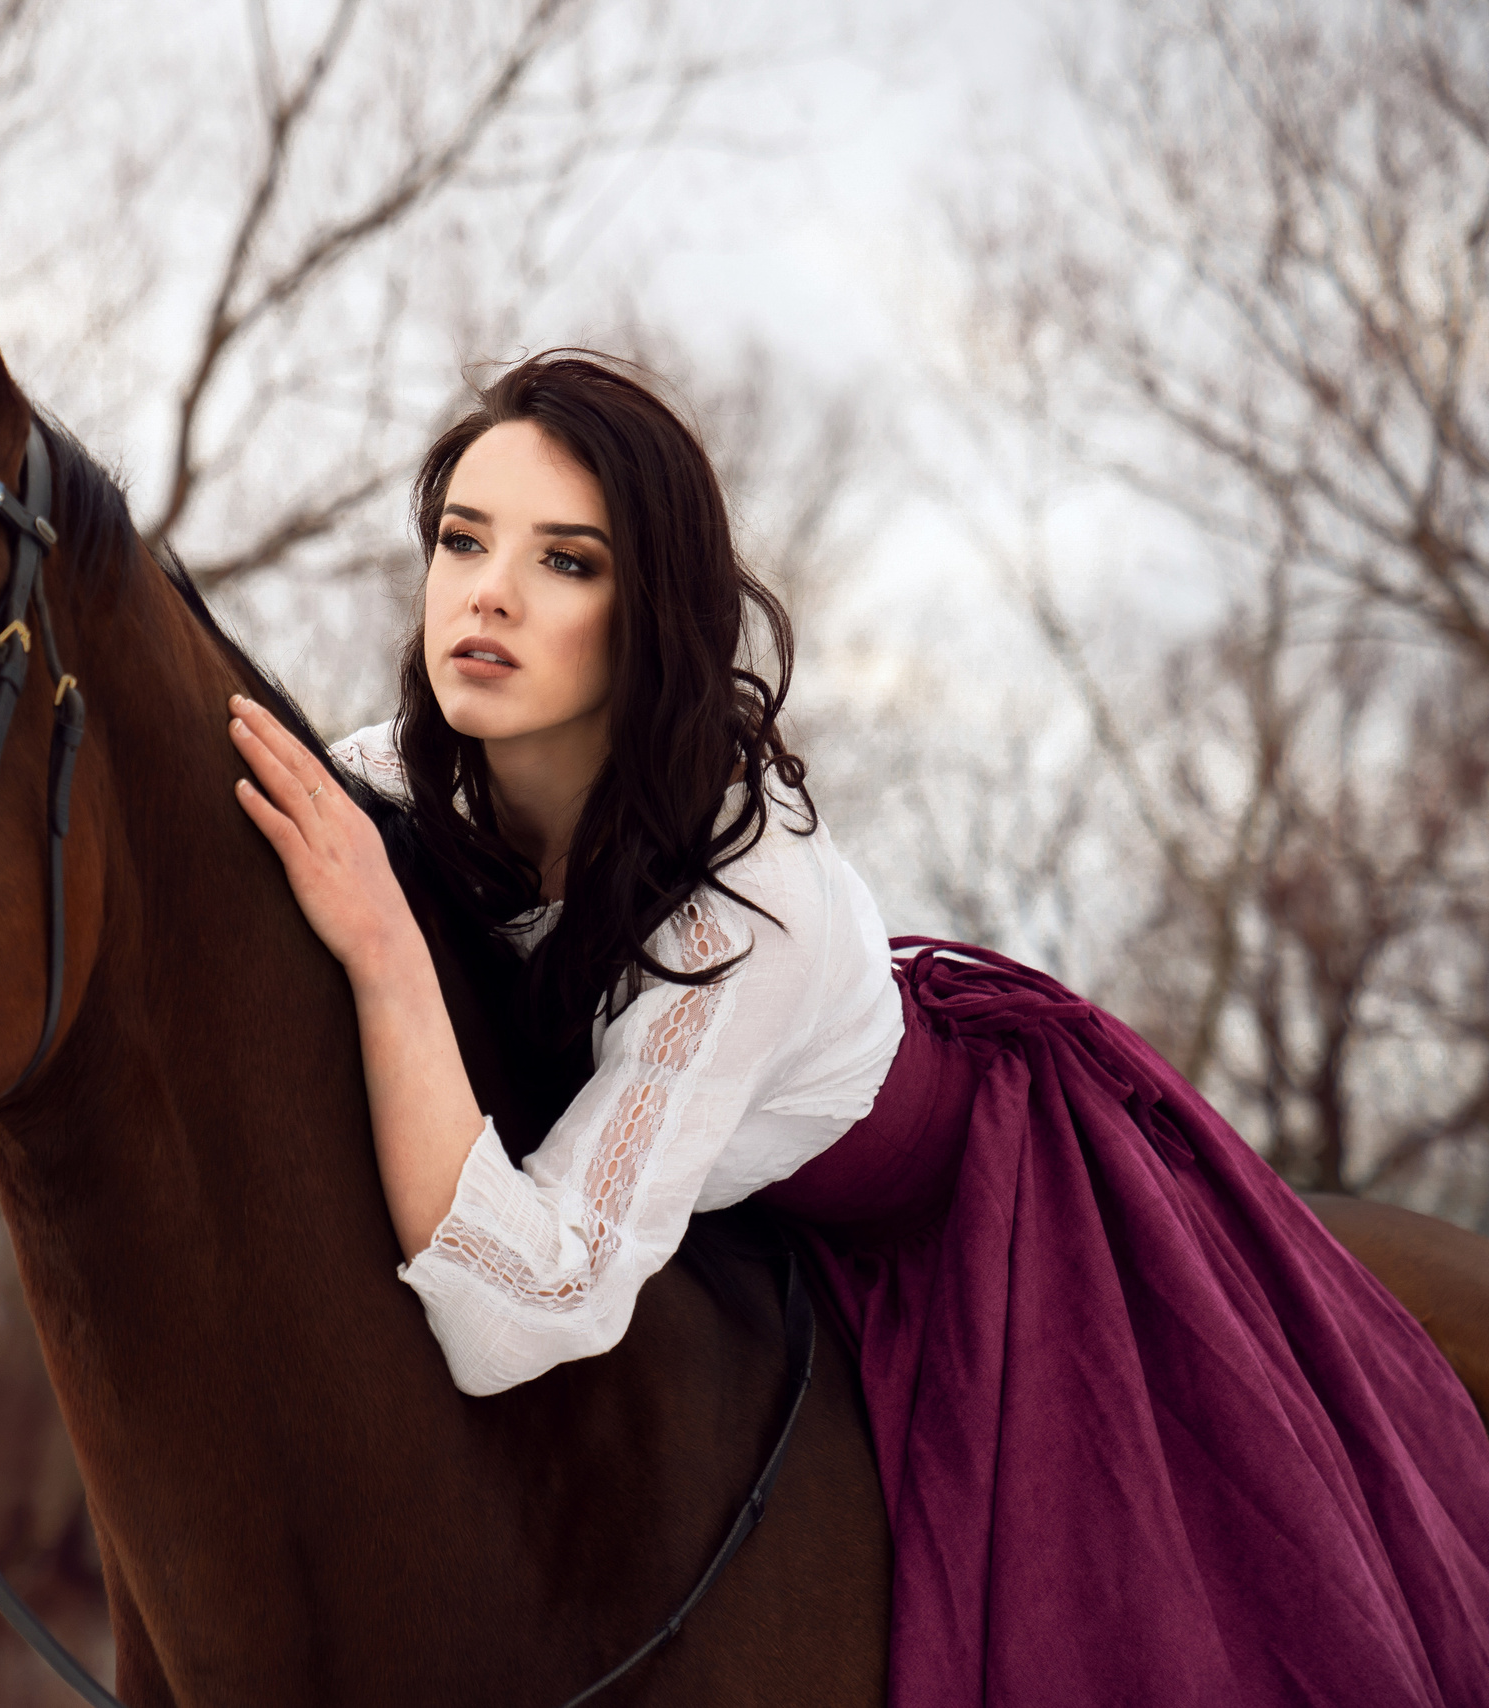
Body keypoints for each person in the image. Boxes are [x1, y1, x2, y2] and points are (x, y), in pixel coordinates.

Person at [224, 351, 1489, 1706]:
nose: (488, 591)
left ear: (647, 610)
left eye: (568, 562)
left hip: (965, 1225)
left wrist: (384, 952)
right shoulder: (402, 781)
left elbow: (520, 1313)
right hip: (735, 1219)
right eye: (463, 539)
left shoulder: (737, 909)